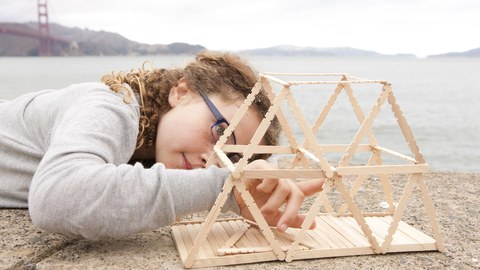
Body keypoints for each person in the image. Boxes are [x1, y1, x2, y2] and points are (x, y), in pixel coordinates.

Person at [0, 51, 323, 240]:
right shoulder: (109, 104)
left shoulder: (146, 147)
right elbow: (58, 198)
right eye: (220, 132)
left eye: (232, 158)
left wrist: (250, 186)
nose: (211, 159)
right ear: (181, 92)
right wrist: (223, 186)